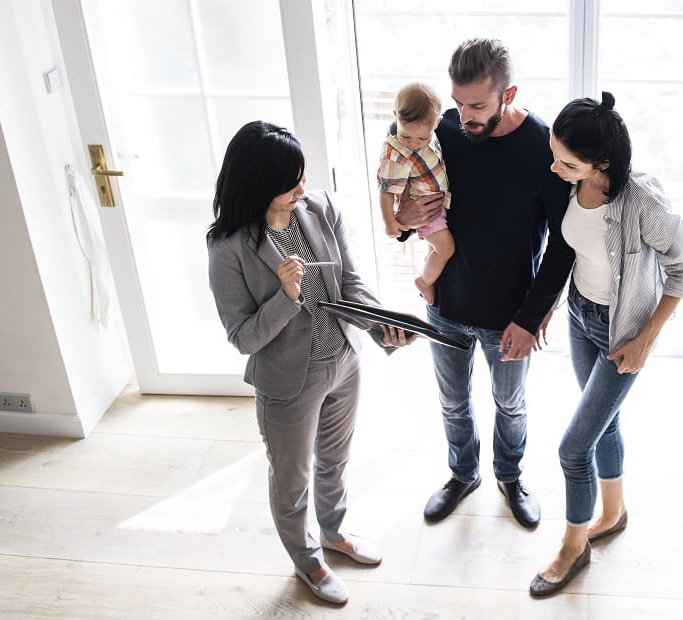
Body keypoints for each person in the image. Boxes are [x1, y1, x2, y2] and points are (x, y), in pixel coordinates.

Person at [206, 121, 417, 605]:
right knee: (291, 478)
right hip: (287, 383)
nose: (303, 186)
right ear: (258, 183)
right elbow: (243, 337)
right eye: (290, 181)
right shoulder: (228, 248)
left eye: (302, 174)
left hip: (343, 360)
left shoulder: (319, 208)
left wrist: (382, 325)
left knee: (336, 461)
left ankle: (334, 533)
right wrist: (286, 295)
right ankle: (306, 559)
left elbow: (351, 286)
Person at [392, 38, 574, 529]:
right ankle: (462, 473)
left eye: (476, 105)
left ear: (507, 94)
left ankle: (510, 477)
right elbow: (407, 199)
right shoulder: (443, 131)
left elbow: (563, 244)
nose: (463, 115)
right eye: (457, 102)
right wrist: (404, 218)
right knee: (452, 400)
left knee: (509, 404)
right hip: (446, 303)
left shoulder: (542, 145)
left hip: (510, 315)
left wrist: (531, 317)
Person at [529, 93, 683, 597]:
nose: (555, 168)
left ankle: (572, 548)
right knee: (604, 425)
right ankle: (614, 512)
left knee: (573, 448)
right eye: (554, 155)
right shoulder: (572, 184)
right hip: (582, 315)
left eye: (568, 161)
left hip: (621, 331)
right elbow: (573, 254)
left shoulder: (644, 204)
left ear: (603, 161)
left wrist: (647, 338)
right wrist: (549, 307)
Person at [376, 82, 453, 305]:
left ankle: (429, 275)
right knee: (446, 248)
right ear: (395, 118)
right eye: (406, 136)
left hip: (437, 205)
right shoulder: (396, 154)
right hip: (426, 210)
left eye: (422, 139)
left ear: (436, 123)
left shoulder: (431, 131)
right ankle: (424, 282)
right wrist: (390, 221)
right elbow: (386, 191)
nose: (414, 144)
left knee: (435, 248)